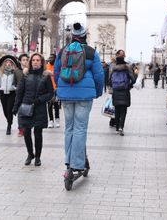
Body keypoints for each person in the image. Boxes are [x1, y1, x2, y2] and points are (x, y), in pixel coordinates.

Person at [54, 22, 104, 172]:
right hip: (84, 95)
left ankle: (68, 160)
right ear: (84, 36)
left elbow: (56, 72)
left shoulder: (63, 51)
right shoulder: (90, 52)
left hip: (66, 94)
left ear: (72, 36)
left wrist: (60, 89)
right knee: (80, 128)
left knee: (69, 128)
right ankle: (76, 163)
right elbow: (99, 75)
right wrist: (98, 91)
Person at [12, 53, 54, 166]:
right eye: (33, 60)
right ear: (31, 62)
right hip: (26, 107)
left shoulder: (46, 76)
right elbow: (19, 93)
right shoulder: (25, 76)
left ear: (41, 62)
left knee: (38, 133)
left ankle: (38, 157)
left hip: (39, 108)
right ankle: (30, 154)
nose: (35, 62)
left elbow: (51, 93)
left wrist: (40, 99)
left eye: (38, 60)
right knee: (26, 132)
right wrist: (15, 107)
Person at [0, 55, 22, 135]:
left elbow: (17, 82)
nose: (8, 64)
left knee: (9, 110)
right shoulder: (0, 73)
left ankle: (9, 125)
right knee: (5, 110)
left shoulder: (15, 72)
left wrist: (16, 88)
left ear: (12, 64)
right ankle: (9, 121)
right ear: (4, 64)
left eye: (10, 62)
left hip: (12, 93)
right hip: (3, 94)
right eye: (6, 62)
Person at [108, 50, 135, 136]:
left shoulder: (112, 67)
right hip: (125, 90)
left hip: (116, 91)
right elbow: (133, 79)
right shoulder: (127, 67)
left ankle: (116, 127)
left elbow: (109, 79)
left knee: (117, 109)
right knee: (123, 111)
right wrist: (129, 86)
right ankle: (121, 127)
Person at [16, 53, 30, 137]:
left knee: (28, 112)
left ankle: (27, 128)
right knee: (20, 113)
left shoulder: (31, 71)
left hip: (29, 95)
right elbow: (14, 82)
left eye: (27, 60)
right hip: (19, 95)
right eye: (23, 60)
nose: (25, 62)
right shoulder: (17, 71)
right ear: (20, 61)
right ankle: (21, 129)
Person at [46, 54, 60, 128]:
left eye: (52, 58)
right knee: (49, 106)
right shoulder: (47, 66)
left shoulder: (57, 66)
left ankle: (57, 119)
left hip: (56, 88)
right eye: (50, 57)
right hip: (49, 89)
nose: (50, 59)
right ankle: (51, 120)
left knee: (56, 105)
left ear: (55, 58)